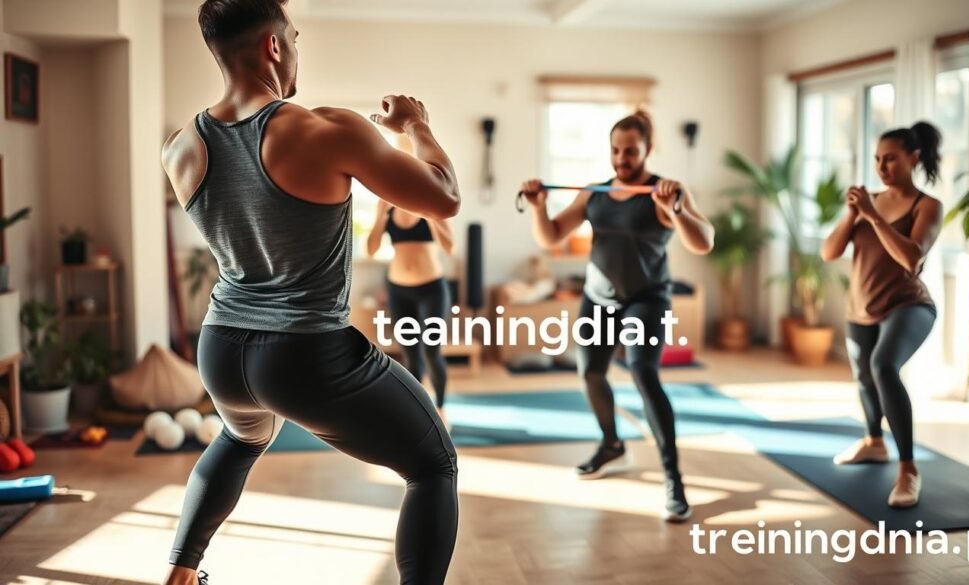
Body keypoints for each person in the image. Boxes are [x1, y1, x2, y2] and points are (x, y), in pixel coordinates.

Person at [159, 1, 461, 582]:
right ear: (274, 45)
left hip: (221, 348)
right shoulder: (324, 130)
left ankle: (180, 574)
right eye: (293, 36)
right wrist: (416, 126)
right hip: (302, 355)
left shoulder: (180, 147)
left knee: (239, 436)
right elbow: (444, 196)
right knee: (433, 465)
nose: (296, 48)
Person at [519, 111, 715, 522]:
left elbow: (703, 241)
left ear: (647, 150)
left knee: (644, 373)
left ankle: (673, 479)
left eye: (630, 151)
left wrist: (674, 209)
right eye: (615, 150)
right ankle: (612, 444)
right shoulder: (595, 192)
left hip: (647, 298)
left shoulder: (667, 191)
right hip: (598, 297)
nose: (621, 158)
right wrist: (538, 206)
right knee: (590, 373)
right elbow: (551, 235)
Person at [821, 121, 944, 508]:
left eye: (890, 159)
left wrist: (873, 216)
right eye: (877, 160)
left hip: (909, 305)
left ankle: (909, 469)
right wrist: (851, 214)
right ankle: (874, 442)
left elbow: (911, 258)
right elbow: (829, 252)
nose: (882, 167)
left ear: (913, 158)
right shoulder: (867, 202)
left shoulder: (928, 206)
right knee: (864, 377)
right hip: (862, 306)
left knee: (883, 365)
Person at [367, 199, 455, 425]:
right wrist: (380, 215)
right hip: (399, 292)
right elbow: (371, 249)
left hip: (432, 290)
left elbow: (450, 247)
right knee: (411, 354)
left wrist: (432, 215)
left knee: (432, 350)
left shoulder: (431, 207)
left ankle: (441, 407)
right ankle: (420, 411)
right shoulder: (389, 209)